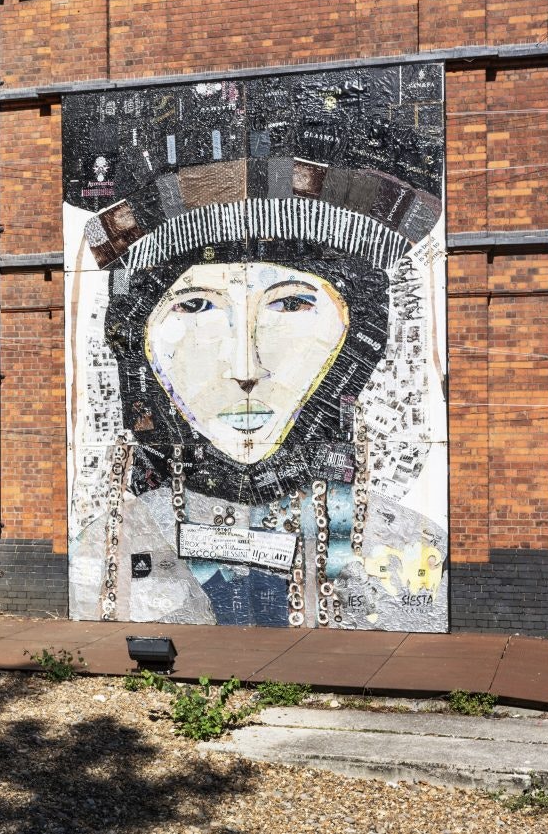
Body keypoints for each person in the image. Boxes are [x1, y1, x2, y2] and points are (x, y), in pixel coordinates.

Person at [68, 193, 447, 631]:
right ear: (139, 338)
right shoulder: (101, 550)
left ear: (357, 332)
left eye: (290, 304)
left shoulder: (412, 551)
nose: (246, 369)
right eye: (195, 306)